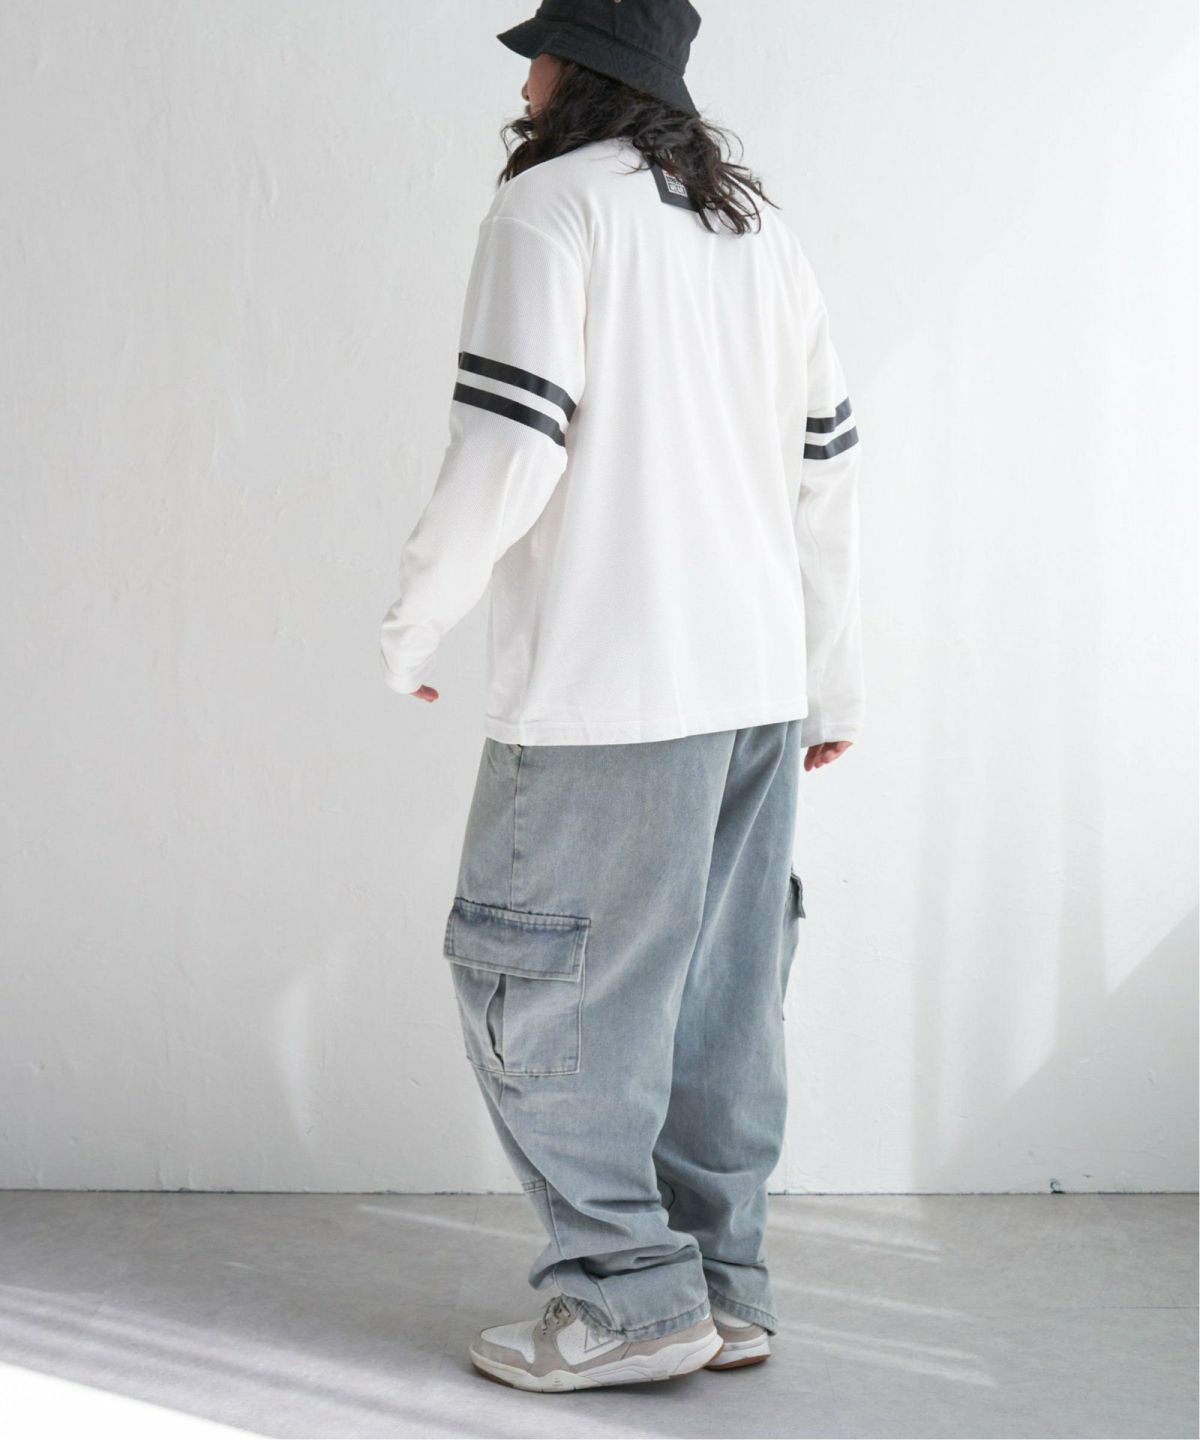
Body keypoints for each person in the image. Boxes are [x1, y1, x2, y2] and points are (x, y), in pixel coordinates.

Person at [379, 0, 864, 1394]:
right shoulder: (757, 232)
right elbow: (828, 469)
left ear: (577, 68)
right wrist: (832, 680)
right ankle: (720, 1286)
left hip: (611, 683)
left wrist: (415, 619)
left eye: (539, 51)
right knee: (720, 995)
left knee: (541, 985)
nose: (526, 77)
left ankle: (626, 1300)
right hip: (755, 686)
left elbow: (510, 442)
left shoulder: (550, 210)